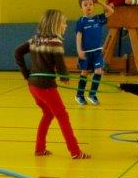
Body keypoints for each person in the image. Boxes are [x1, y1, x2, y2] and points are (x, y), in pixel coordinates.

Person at [13, 9, 90, 159]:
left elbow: (17, 52)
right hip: (45, 86)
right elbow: (60, 65)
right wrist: (64, 75)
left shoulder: (35, 39)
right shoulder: (55, 41)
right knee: (63, 116)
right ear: (56, 24)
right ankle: (75, 152)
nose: (65, 26)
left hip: (33, 85)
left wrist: (26, 74)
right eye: (64, 23)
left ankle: (40, 149)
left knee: (48, 114)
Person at [75, 0, 113, 106]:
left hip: (97, 52)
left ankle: (92, 94)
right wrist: (79, 50)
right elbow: (78, 36)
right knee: (85, 72)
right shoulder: (81, 21)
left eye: (91, 4)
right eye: (85, 5)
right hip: (86, 53)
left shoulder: (98, 19)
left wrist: (100, 2)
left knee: (98, 71)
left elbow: (111, 11)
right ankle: (79, 95)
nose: (88, 6)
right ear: (81, 8)